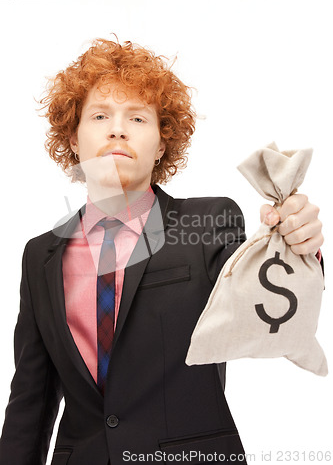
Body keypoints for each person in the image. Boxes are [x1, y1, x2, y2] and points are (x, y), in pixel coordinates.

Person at [0, 38, 323, 465]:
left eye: (137, 117)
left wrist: (299, 247)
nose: (117, 129)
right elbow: (31, 401)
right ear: (74, 139)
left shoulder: (209, 223)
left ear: (161, 144)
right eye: (99, 116)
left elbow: (263, 296)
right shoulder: (39, 254)